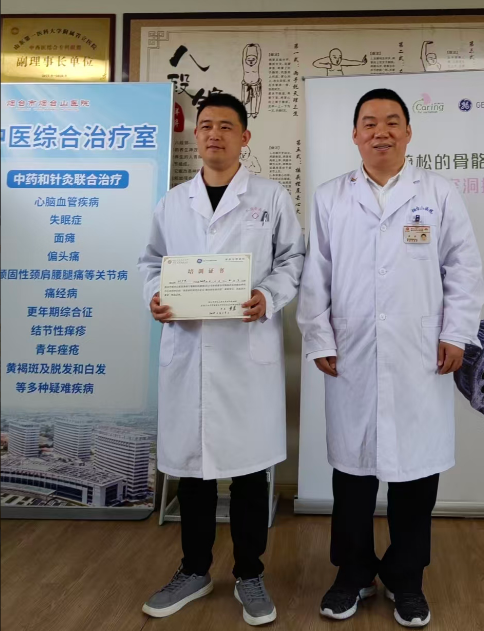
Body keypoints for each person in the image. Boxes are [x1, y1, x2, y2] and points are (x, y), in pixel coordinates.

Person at [297, 88, 484, 627]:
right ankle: (352, 574)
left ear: (408, 132)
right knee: (353, 476)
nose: (381, 131)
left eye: (392, 122)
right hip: (352, 351)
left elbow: (463, 268)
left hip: (419, 353)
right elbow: (316, 275)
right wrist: (320, 337)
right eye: (370, 122)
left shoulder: (439, 194)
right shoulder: (331, 197)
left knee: (415, 477)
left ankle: (407, 579)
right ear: (355, 134)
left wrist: (456, 333)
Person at [138, 93, 305, 626]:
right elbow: (150, 262)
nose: (214, 134)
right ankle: (194, 570)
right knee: (194, 473)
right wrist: (155, 296)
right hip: (190, 349)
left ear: (244, 137)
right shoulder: (173, 202)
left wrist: (268, 297)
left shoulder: (270, 197)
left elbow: (293, 259)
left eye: (226, 126)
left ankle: (250, 573)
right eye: (206, 125)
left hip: (245, 352)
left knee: (251, 473)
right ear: (197, 136)